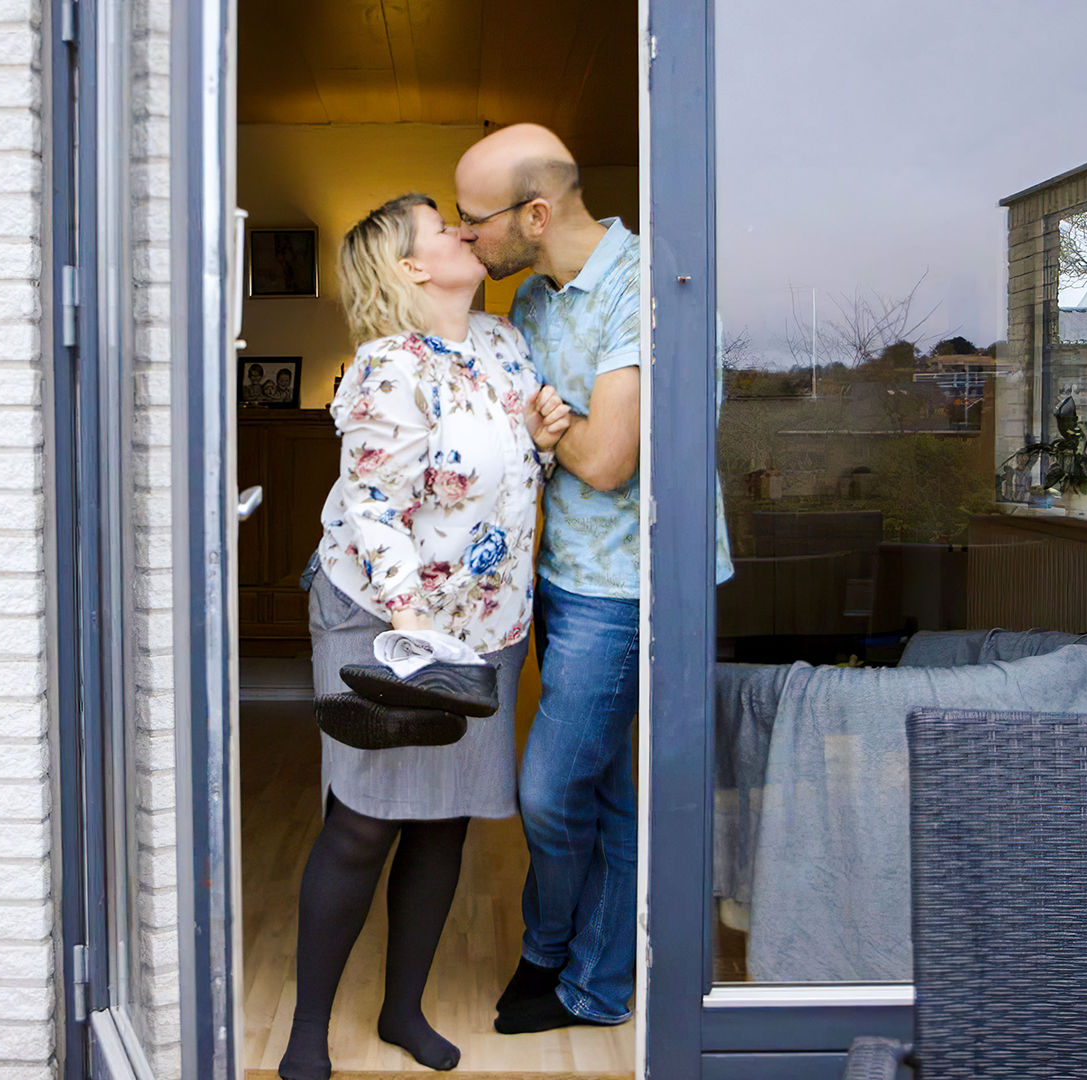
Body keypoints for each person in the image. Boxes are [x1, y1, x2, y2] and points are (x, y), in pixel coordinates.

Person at [278, 192, 571, 1080]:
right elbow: (373, 504)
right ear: (411, 266)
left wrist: (541, 442)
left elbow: (502, 481)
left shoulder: (505, 344)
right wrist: (409, 629)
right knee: (363, 821)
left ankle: (402, 1009)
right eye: (442, 228)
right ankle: (306, 1031)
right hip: (382, 617)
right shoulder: (386, 366)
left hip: (481, 623)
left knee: (444, 821)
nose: (463, 231)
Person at [454, 124, 733, 1033]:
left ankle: (551, 953)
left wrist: (555, 424)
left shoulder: (644, 286)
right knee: (603, 790)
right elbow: (531, 437)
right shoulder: (533, 298)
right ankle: (597, 983)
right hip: (562, 575)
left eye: (474, 218)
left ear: (535, 215)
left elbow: (609, 460)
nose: (465, 234)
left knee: (549, 789)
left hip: (627, 586)